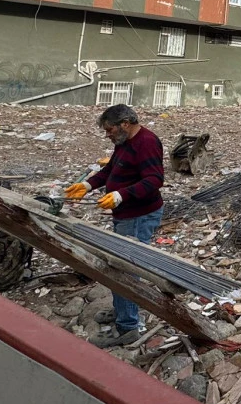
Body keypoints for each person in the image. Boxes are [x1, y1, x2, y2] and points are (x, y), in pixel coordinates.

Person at [64, 104, 165, 348]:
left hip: (139, 216)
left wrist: (121, 195)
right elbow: (111, 169)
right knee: (119, 266)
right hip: (126, 214)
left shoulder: (147, 142)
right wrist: (88, 185)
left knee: (125, 270)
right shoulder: (124, 142)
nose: (107, 134)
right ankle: (123, 311)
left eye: (110, 129)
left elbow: (154, 179)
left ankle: (128, 326)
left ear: (126, 123)